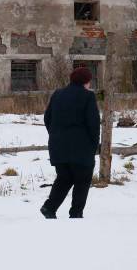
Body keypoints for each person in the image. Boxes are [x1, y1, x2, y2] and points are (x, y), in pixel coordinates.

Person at [40, 66, 100, 219]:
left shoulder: (58, 94)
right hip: (82, 148)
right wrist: (94, 145)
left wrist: (55, 135)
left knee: (64, 178)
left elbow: (47, 118)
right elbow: (93, 124)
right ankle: (76, 214)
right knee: (82, 180)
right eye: (89, 81)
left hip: (58, 147)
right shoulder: (88, 97)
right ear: (86, 82)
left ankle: (49, 207)